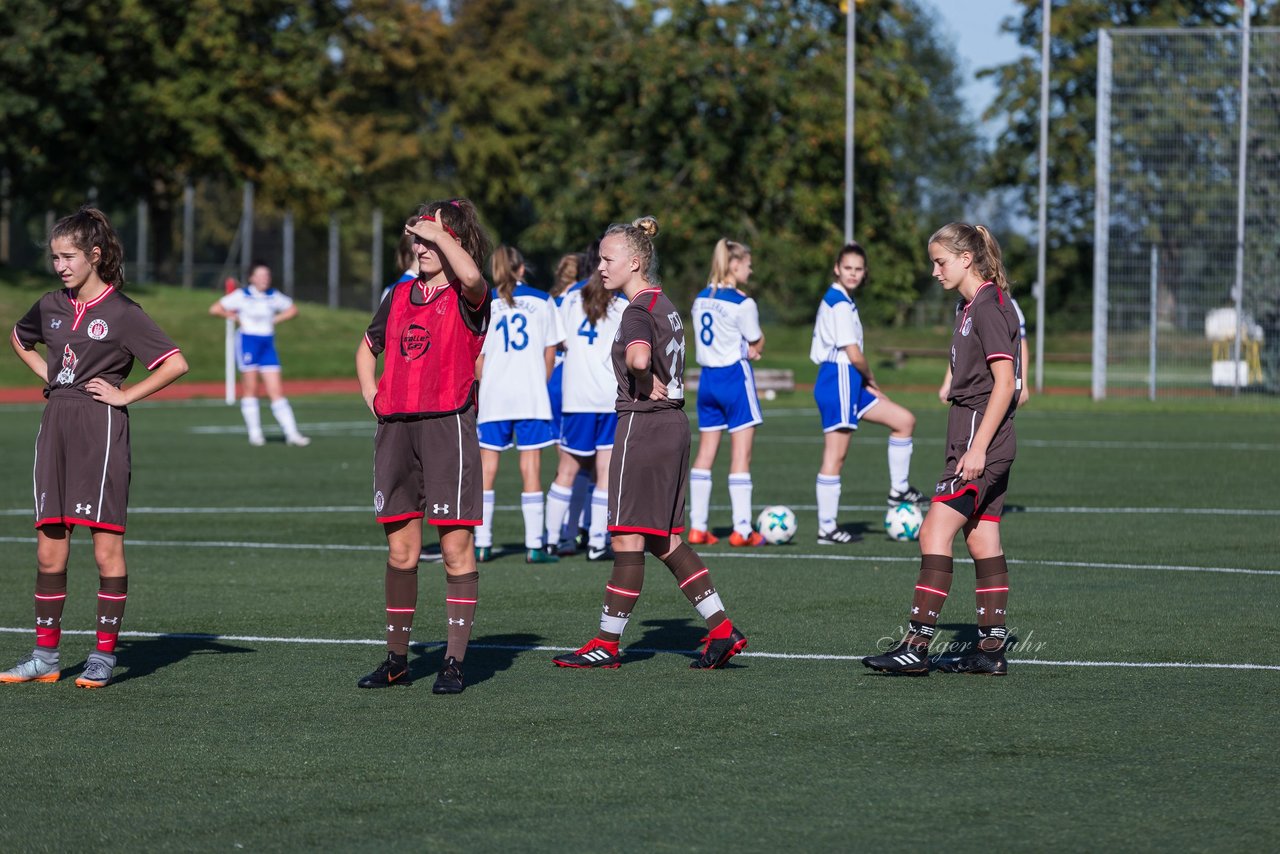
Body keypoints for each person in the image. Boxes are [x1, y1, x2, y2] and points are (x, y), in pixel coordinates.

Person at [2, 206, 189, 689]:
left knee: (105, 547)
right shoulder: (49, 305)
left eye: (68, 257)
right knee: (49, 550)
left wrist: (125, 395)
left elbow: (174, 363)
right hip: (55, 425)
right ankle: (45, 655)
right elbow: (20, 339)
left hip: (100, 429)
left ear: (95, 256)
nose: (60, 265)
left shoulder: (124, 313)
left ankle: (103, 656)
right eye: (55, 257)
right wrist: (54, 377)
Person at [553, 216, 747, 671]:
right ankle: (721, 628)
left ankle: (606, 642)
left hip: (643, 428)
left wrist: (644, 374)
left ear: (635, 262)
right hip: (675, 427)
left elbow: (639, 355)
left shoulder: (637, 310)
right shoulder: (665, 303)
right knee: (662, 538)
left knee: (624, 537)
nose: (600, 267)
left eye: (607, 259)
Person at [862, 222, 1022, 676]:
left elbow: (1007, 382)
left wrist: (978, 449)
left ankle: (916, 644)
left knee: (933, 533)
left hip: (979, 436)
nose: (934, 270)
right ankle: (991, 650)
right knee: (982, 536)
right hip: (976, 431)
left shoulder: (988, 306)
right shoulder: (970, 304)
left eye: (940, 261)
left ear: (966, 259)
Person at [354, 198, 493, 694]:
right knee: (401, 550)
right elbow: (368, 346)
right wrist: (373, 395)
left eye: (435, 236)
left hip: (446, 428)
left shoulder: (468, 293)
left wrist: (440, 233)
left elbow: (474, 280)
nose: (423, 244)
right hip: (397, 430)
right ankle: (396, 660)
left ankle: (454, 662)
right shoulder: (398, 293)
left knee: (455, 548)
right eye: (418, 235)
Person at [810, 242, 924, 545]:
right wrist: (870, 378)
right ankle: (827, 528)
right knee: (836, 455)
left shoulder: (844, 300)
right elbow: (853, 353)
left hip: (849, 380)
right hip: (840, 379)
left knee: (904, 421)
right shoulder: (839, 303)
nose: (853, 273)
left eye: (858, 269)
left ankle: (898, 489)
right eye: (847, 268)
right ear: (837, 268)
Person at [474, 245, 565, 564]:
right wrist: (537, 384)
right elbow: (550, 353)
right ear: (521, 269)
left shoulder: (484, 303)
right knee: (531, 468)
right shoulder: (543, 300)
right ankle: (533, 545)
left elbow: (478, 357)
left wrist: (487, 388)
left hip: (494, 395)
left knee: (487, 468)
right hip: (530, 396)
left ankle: (482, 543)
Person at [543, 258, 627, 561]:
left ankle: (550, 541)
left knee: (567, 470)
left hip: (576, 396)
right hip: (608, 396)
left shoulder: (571, 298)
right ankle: (596, 542)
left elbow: (560, 341)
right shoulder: (622, 304)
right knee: (605, 472)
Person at [687, 238, 766, 547]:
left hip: (707, 381)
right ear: (734, 265)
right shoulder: (743, 302)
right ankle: (742, 529)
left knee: (705, 454)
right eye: (747, 264)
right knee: (741, 455)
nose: (750, 269)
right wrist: (752, 349)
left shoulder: (699, 298)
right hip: (734, 378)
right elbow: (756, 341)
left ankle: (697, 526)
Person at [209, 262, 310, 446]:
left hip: (267, 344)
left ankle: (292, 433)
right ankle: (255, 434)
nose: (264, 279)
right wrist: (234, 317)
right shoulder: (241, 295)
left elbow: (293, 309)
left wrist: (276, 319)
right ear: (251, 278)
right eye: (260, 275)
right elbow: (215, 308)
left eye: (267, 275)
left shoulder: (273, 296)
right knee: (251, 389)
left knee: (276, 391)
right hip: (248, 342)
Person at [940, 289, 1029, 407]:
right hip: (970, 389)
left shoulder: (1007, 305)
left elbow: (1020, 343)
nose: (936, 273)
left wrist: (1022, 383)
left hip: (989, 386)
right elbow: (959, 350)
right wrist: (948, 382)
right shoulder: (962, 306)